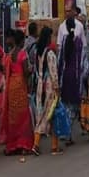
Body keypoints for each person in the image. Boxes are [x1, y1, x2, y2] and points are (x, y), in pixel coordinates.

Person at [0, 30, 34, 162]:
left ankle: (12, 145)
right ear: (21, 41)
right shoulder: (22, 54)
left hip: (12, 87)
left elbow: (4, 69)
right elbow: (25, 72)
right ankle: (23, 145)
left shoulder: (9, 55)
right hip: (20, 86)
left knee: (13, 117)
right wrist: (31, 70)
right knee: (23, 117)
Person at [58, 17, 88, 146]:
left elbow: (60, 60)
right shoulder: (79, 43)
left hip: (65, 77)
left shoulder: (64, 41)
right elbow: (84, 62)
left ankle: (65, 132)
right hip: (76, 78)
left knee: (66, 106)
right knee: (75, 107)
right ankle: (69, 132)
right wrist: (84, 75)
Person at [32, 27, 62, 156]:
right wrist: (57, 88)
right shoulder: (50, 53)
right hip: (49, 87)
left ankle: (37, 144)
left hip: (40, 86)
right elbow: (53, 72)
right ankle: (53, 146)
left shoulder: (39, 52)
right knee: (52, 115)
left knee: (42, 115)